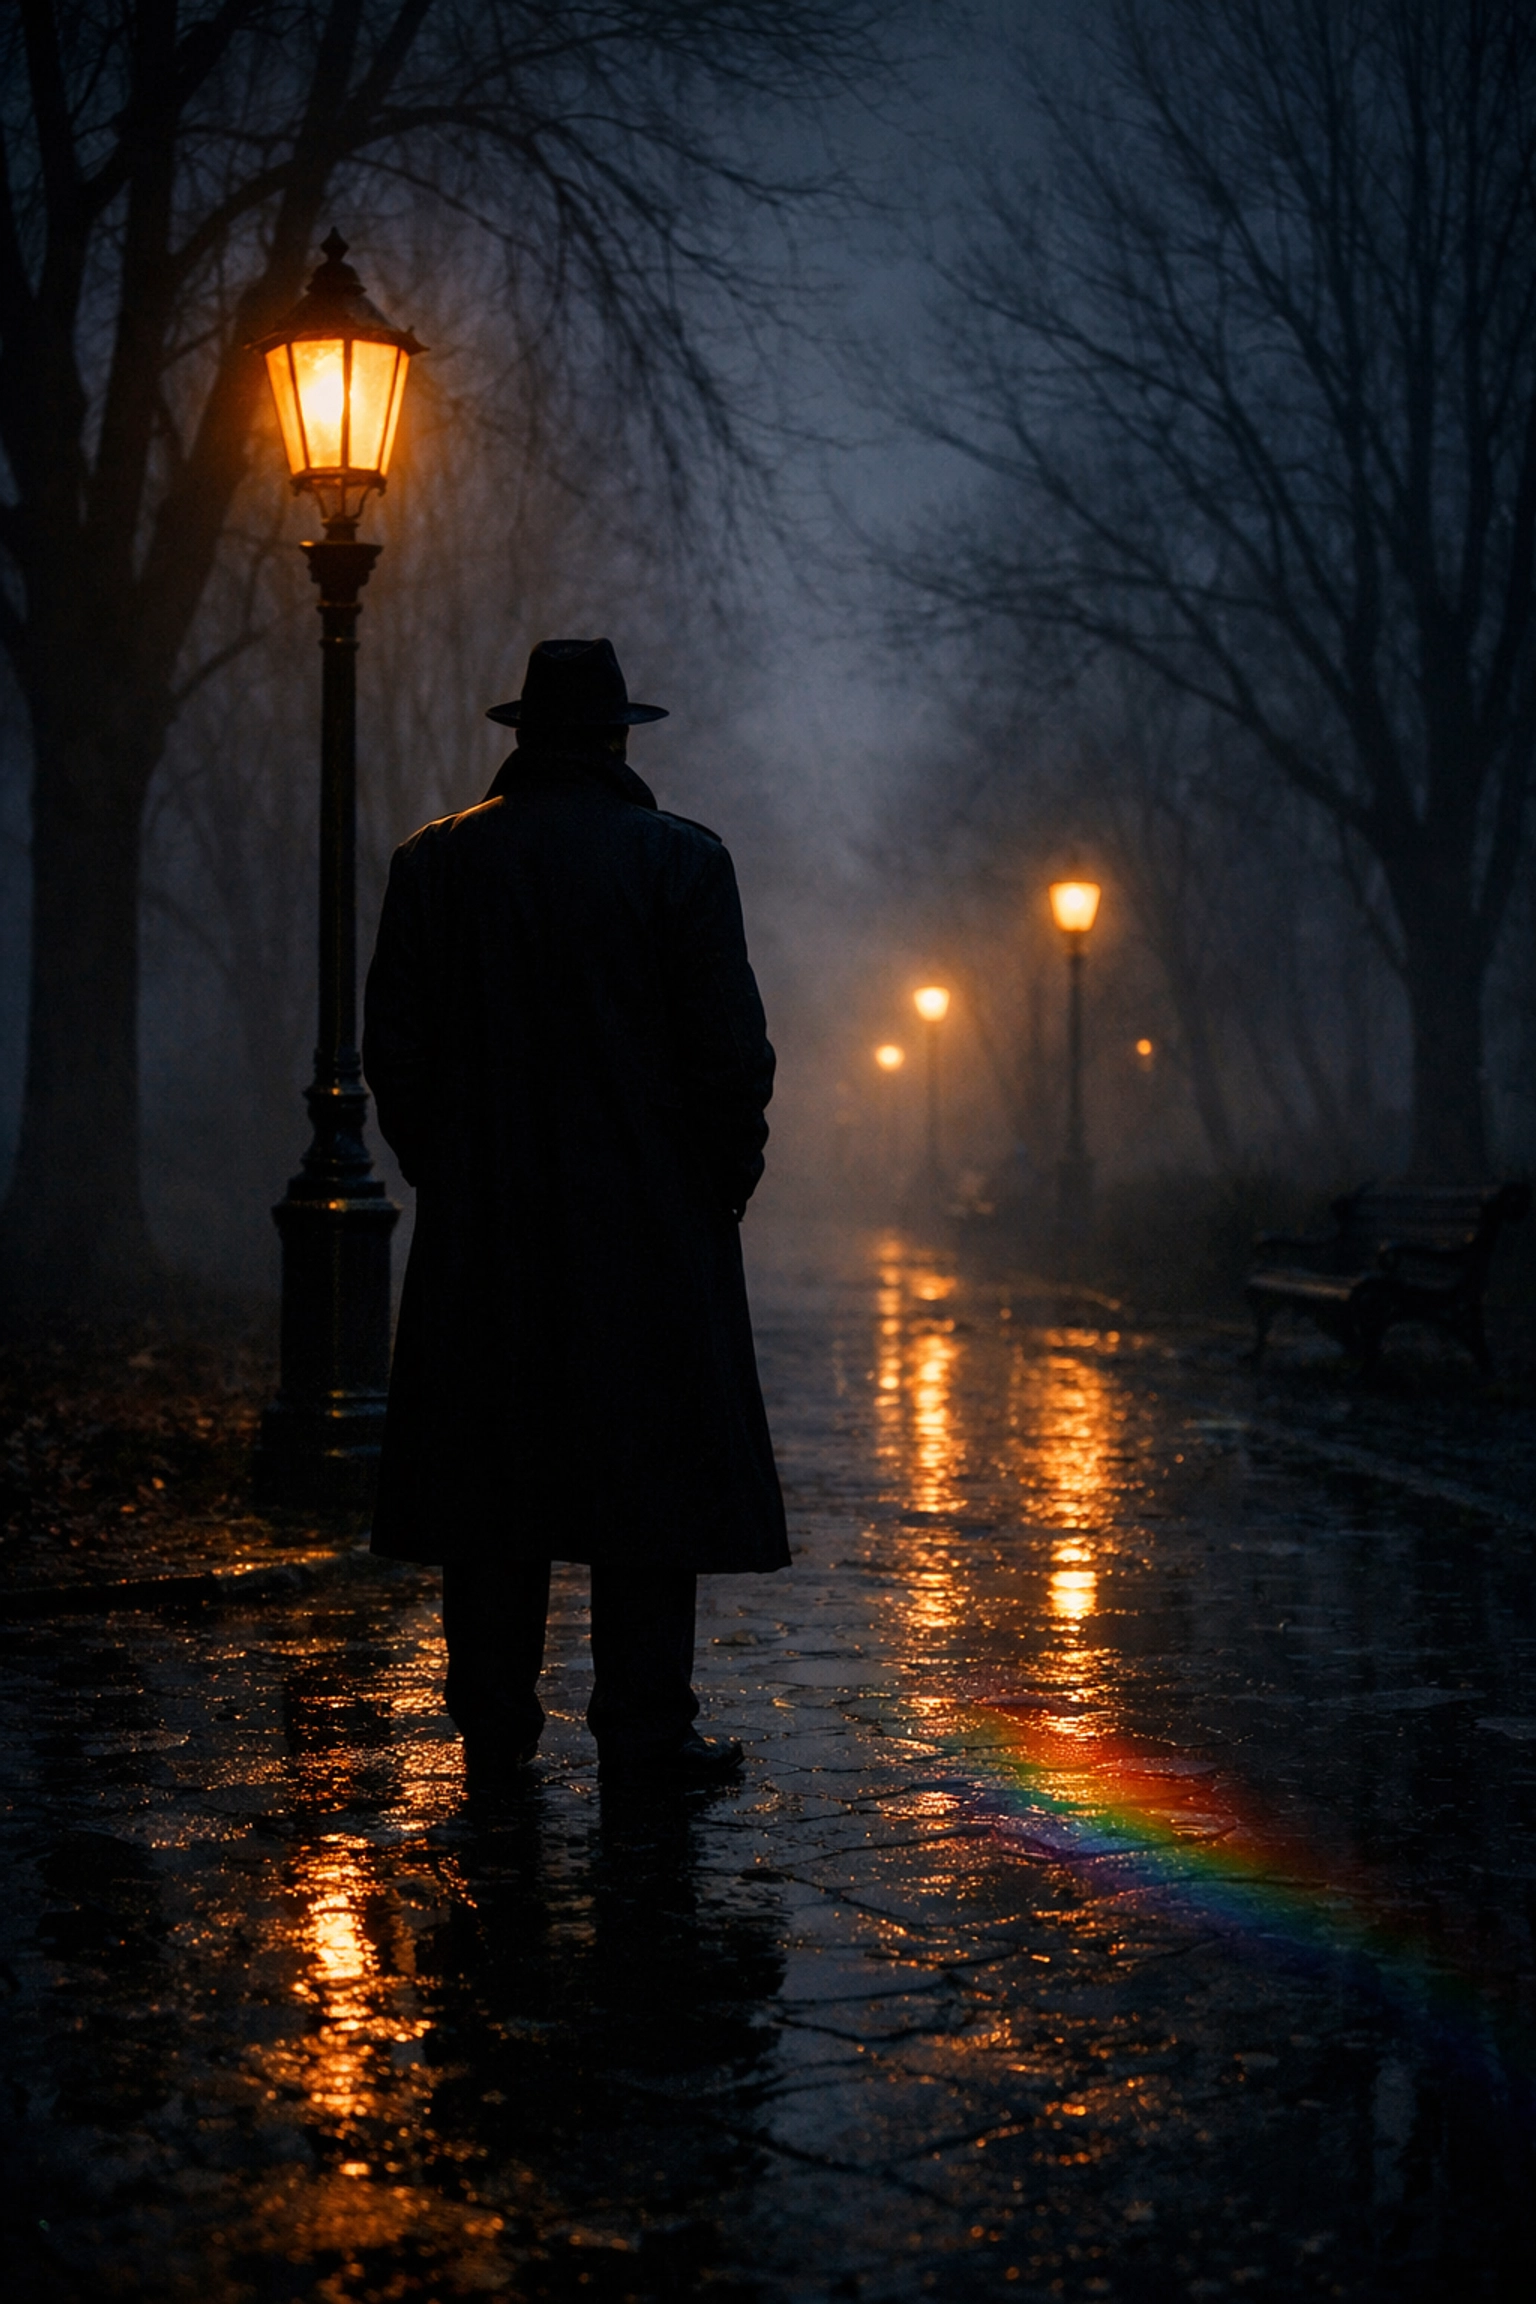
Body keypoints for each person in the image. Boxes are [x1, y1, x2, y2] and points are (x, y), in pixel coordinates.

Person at [362, 638, 787, 1790]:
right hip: (646, 1229)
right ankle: (644, 1726)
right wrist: (717, 1187)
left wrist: (450, 1172)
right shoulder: (681, 863)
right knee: (645, 1478)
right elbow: (730, 1055)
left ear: (523, 737)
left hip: (485, 1232)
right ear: (616, 739)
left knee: (489, 1483)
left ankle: (494, 1724)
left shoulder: (435, 864)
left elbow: (396, 1049)